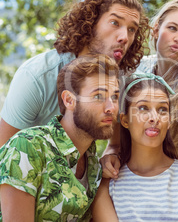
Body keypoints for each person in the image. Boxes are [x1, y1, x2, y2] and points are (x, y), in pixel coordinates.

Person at [0, 0, 149, 147]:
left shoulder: (118, 81)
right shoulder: (37, 76)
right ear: (90, 23)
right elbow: (4, 154)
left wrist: (111, 152)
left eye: (132, 29)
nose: (124, 37)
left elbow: (116, 140)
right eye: (115, 23)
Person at [0, 54, 120, 221]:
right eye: (98, 96)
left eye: (115, 97)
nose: (111, 107)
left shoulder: (94, 165)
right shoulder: (28, 147)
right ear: (69, 100)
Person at [102, 0, 178, 179]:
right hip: (132, 171)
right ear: (155, 30)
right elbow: (115, 143)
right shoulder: (133, 72)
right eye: (172, 28)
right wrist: (110, 156)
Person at [91, 73, 178, 221]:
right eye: (143, 108)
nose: (154, 117)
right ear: (125, 120)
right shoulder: (107, 183)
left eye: (162, 109)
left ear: (170, 121)